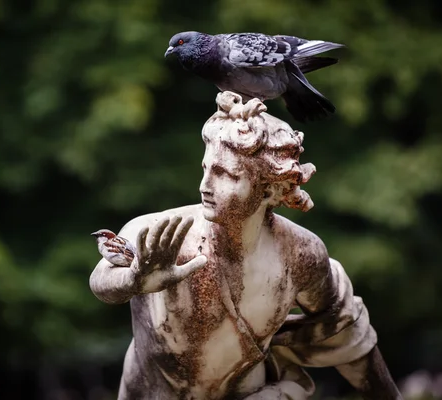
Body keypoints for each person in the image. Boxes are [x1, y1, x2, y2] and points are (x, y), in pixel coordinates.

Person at [89, 92, 402, 399]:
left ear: (270, 188)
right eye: (206, 169)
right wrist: (133, 280)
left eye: (225, 174)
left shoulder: (299, 254)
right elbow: (102, 279)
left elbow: (345, 331)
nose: (204, 186)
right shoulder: (165, 235)